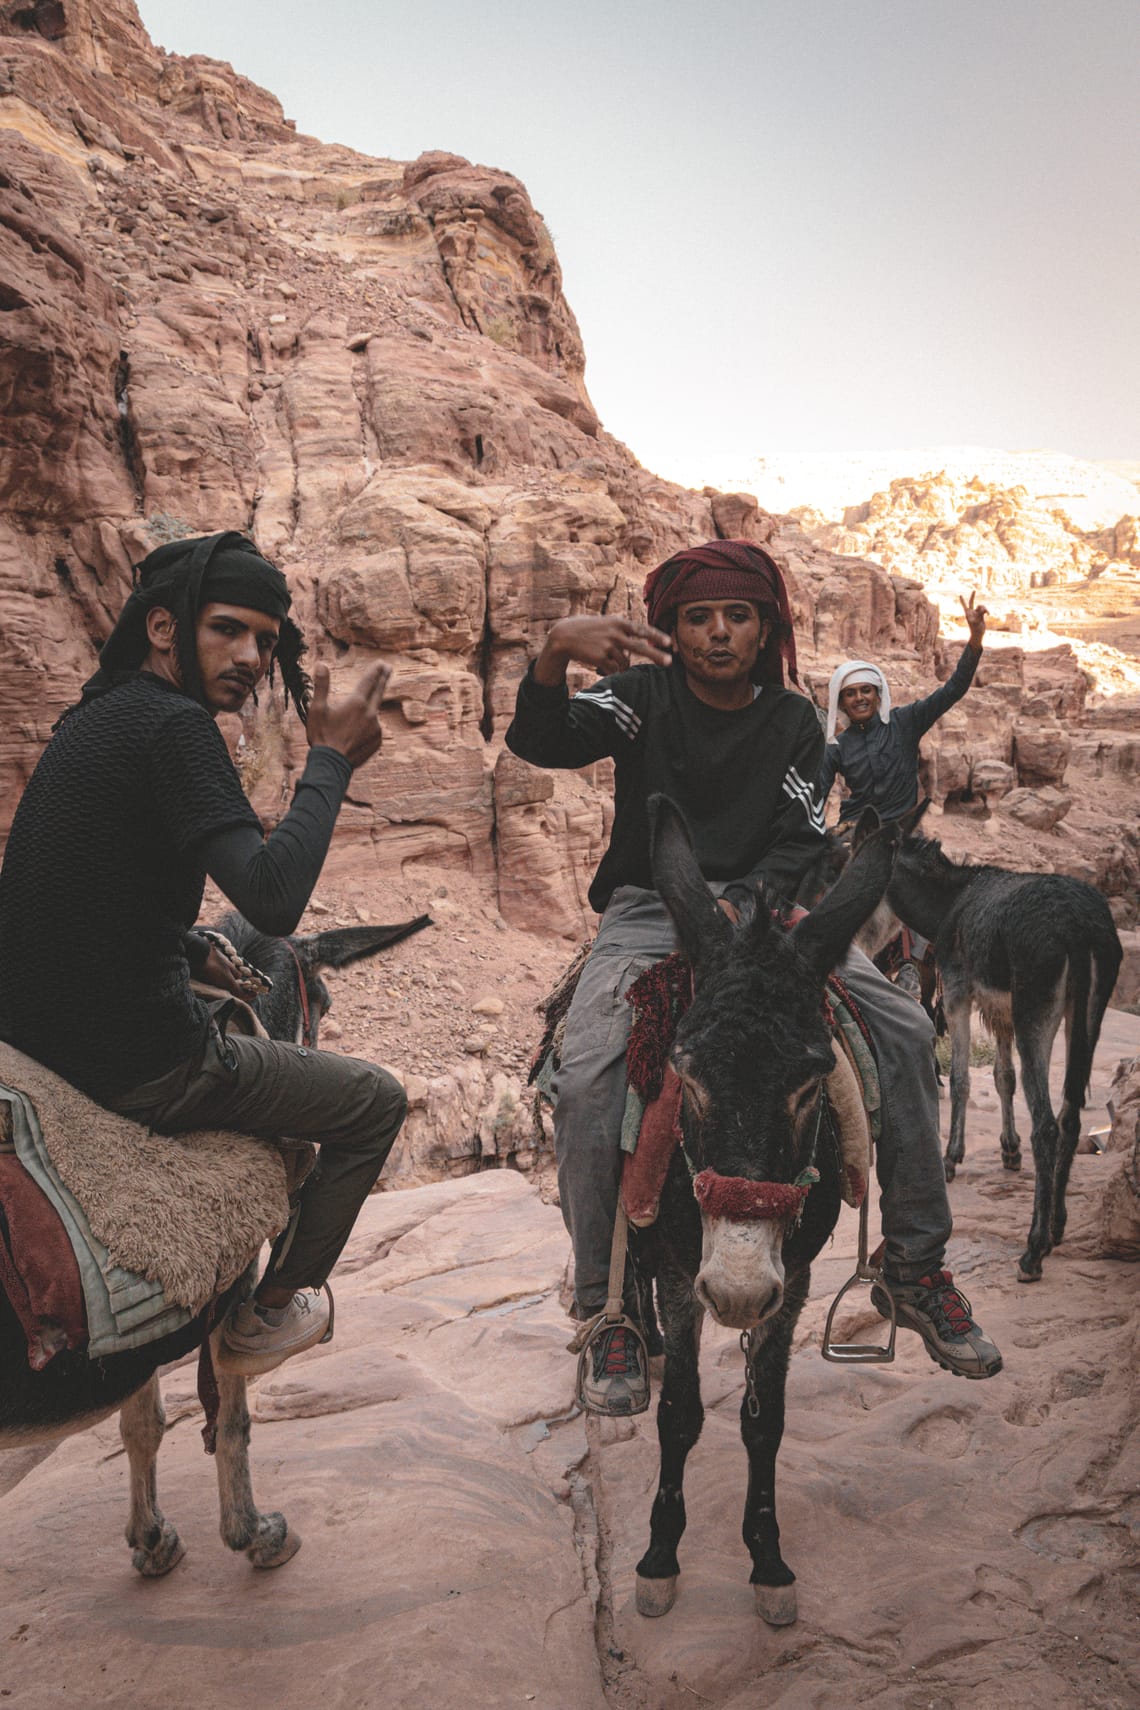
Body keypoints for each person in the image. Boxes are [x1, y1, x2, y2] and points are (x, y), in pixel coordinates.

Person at [506, 541, 1001, 1415]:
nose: (718, 633)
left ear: (766, 626)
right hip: (651, 910)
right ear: (671, 628)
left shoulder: (792, 723)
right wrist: (555, 651)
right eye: (698, 617)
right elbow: (540, 739)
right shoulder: (637, 698)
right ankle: (606, 1306)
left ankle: (915, 1265)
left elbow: (803, 840)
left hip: (768, 915)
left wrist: (746, 912)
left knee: (904, 1029)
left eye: (737, 615)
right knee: (586, 1073)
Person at [0, 531, 407, 1375]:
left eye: (265, 639)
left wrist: (188, 947)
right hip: (137, 1061)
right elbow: (270, 898)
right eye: (227, 629)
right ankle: (266, 1312)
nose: (252, 656)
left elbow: (82, 889)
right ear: (162, 628)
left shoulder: (96, 716)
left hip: (40, 1035)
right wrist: (328, 760)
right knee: (374, 1103)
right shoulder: (177, 727)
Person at [819, 593, 988, 825]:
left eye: (865, 690)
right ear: (841, 703)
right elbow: (816, 797)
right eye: (850, 693)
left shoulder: (906, 721)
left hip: (903, 834)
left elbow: (953, 689)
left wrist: (976, 638)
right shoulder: (837, 747)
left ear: (878, 695)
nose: (859, 698)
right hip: (856, 833)